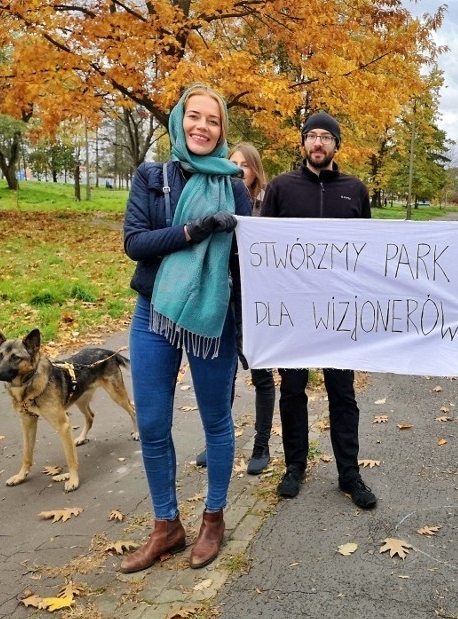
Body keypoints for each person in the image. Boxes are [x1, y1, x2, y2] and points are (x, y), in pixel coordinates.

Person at [121, 84, 252, 573]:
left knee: (216, 421)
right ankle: (166, 527)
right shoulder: (151, 177)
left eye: (212, 121)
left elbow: (249, 257)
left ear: (222, 131)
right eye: (194, 117)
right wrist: (196, 230)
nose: (202, 127)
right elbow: (136, 243)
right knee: (153, 425)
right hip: (154, 312)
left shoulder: (233, 183)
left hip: (213, 317)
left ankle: (213, 519)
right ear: (179, 122)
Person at [261, 111, 377, 510]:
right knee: (292, 391)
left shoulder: (355, 190)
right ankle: (295, 466)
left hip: (339, 313)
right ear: (303, 143)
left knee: (342, 394)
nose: (318, 143)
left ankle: (350, 473)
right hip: (294, 312)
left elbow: (368, 251)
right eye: (312, 136)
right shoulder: (280, 188)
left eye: (326, 137)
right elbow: (264, 249)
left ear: (336, 146)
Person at [195, 142, 275, 475]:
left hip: (254, 301)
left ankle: (262, 445)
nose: (238, 169)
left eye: (245, 165)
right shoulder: (213, 200)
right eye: (233, 163)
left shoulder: (266, 208)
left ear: (255, 170)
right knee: (221, 374)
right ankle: (217, 440)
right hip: (219, 296)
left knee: (261, 372)